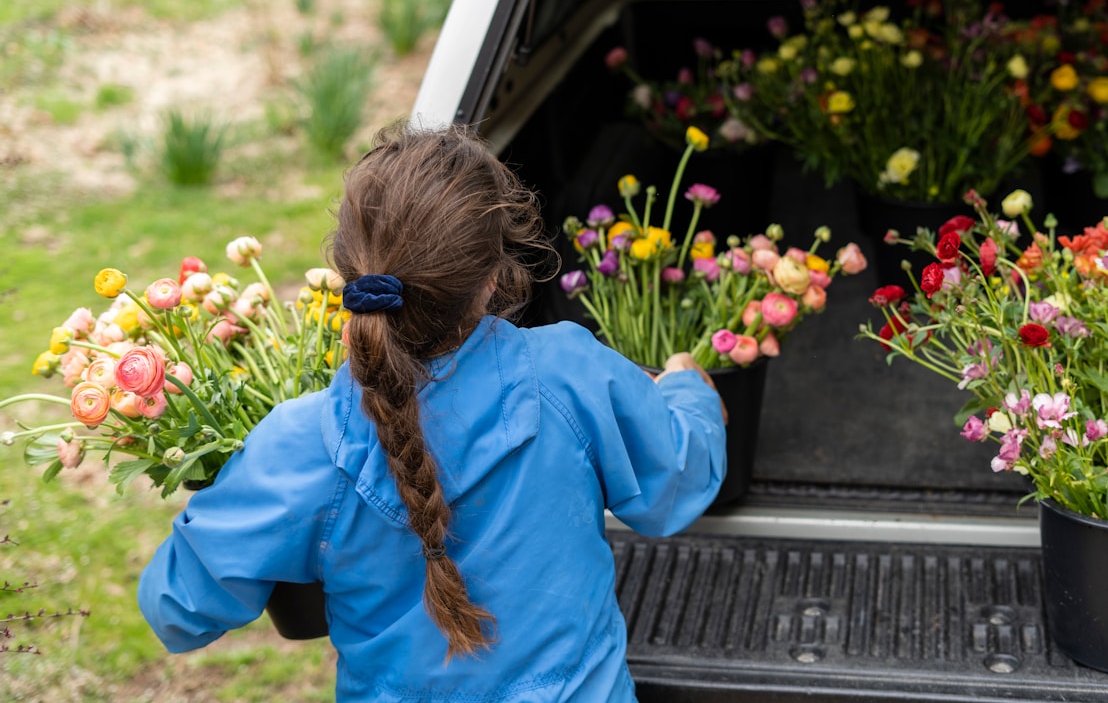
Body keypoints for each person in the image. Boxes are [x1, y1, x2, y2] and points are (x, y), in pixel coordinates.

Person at [138, 122, 727, 702]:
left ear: (350, 273)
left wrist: (246, 500)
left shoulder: (299, 444)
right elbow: (674, 483)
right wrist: (689, 391)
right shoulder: (570, 373)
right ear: (494, 276)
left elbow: (178, 610)